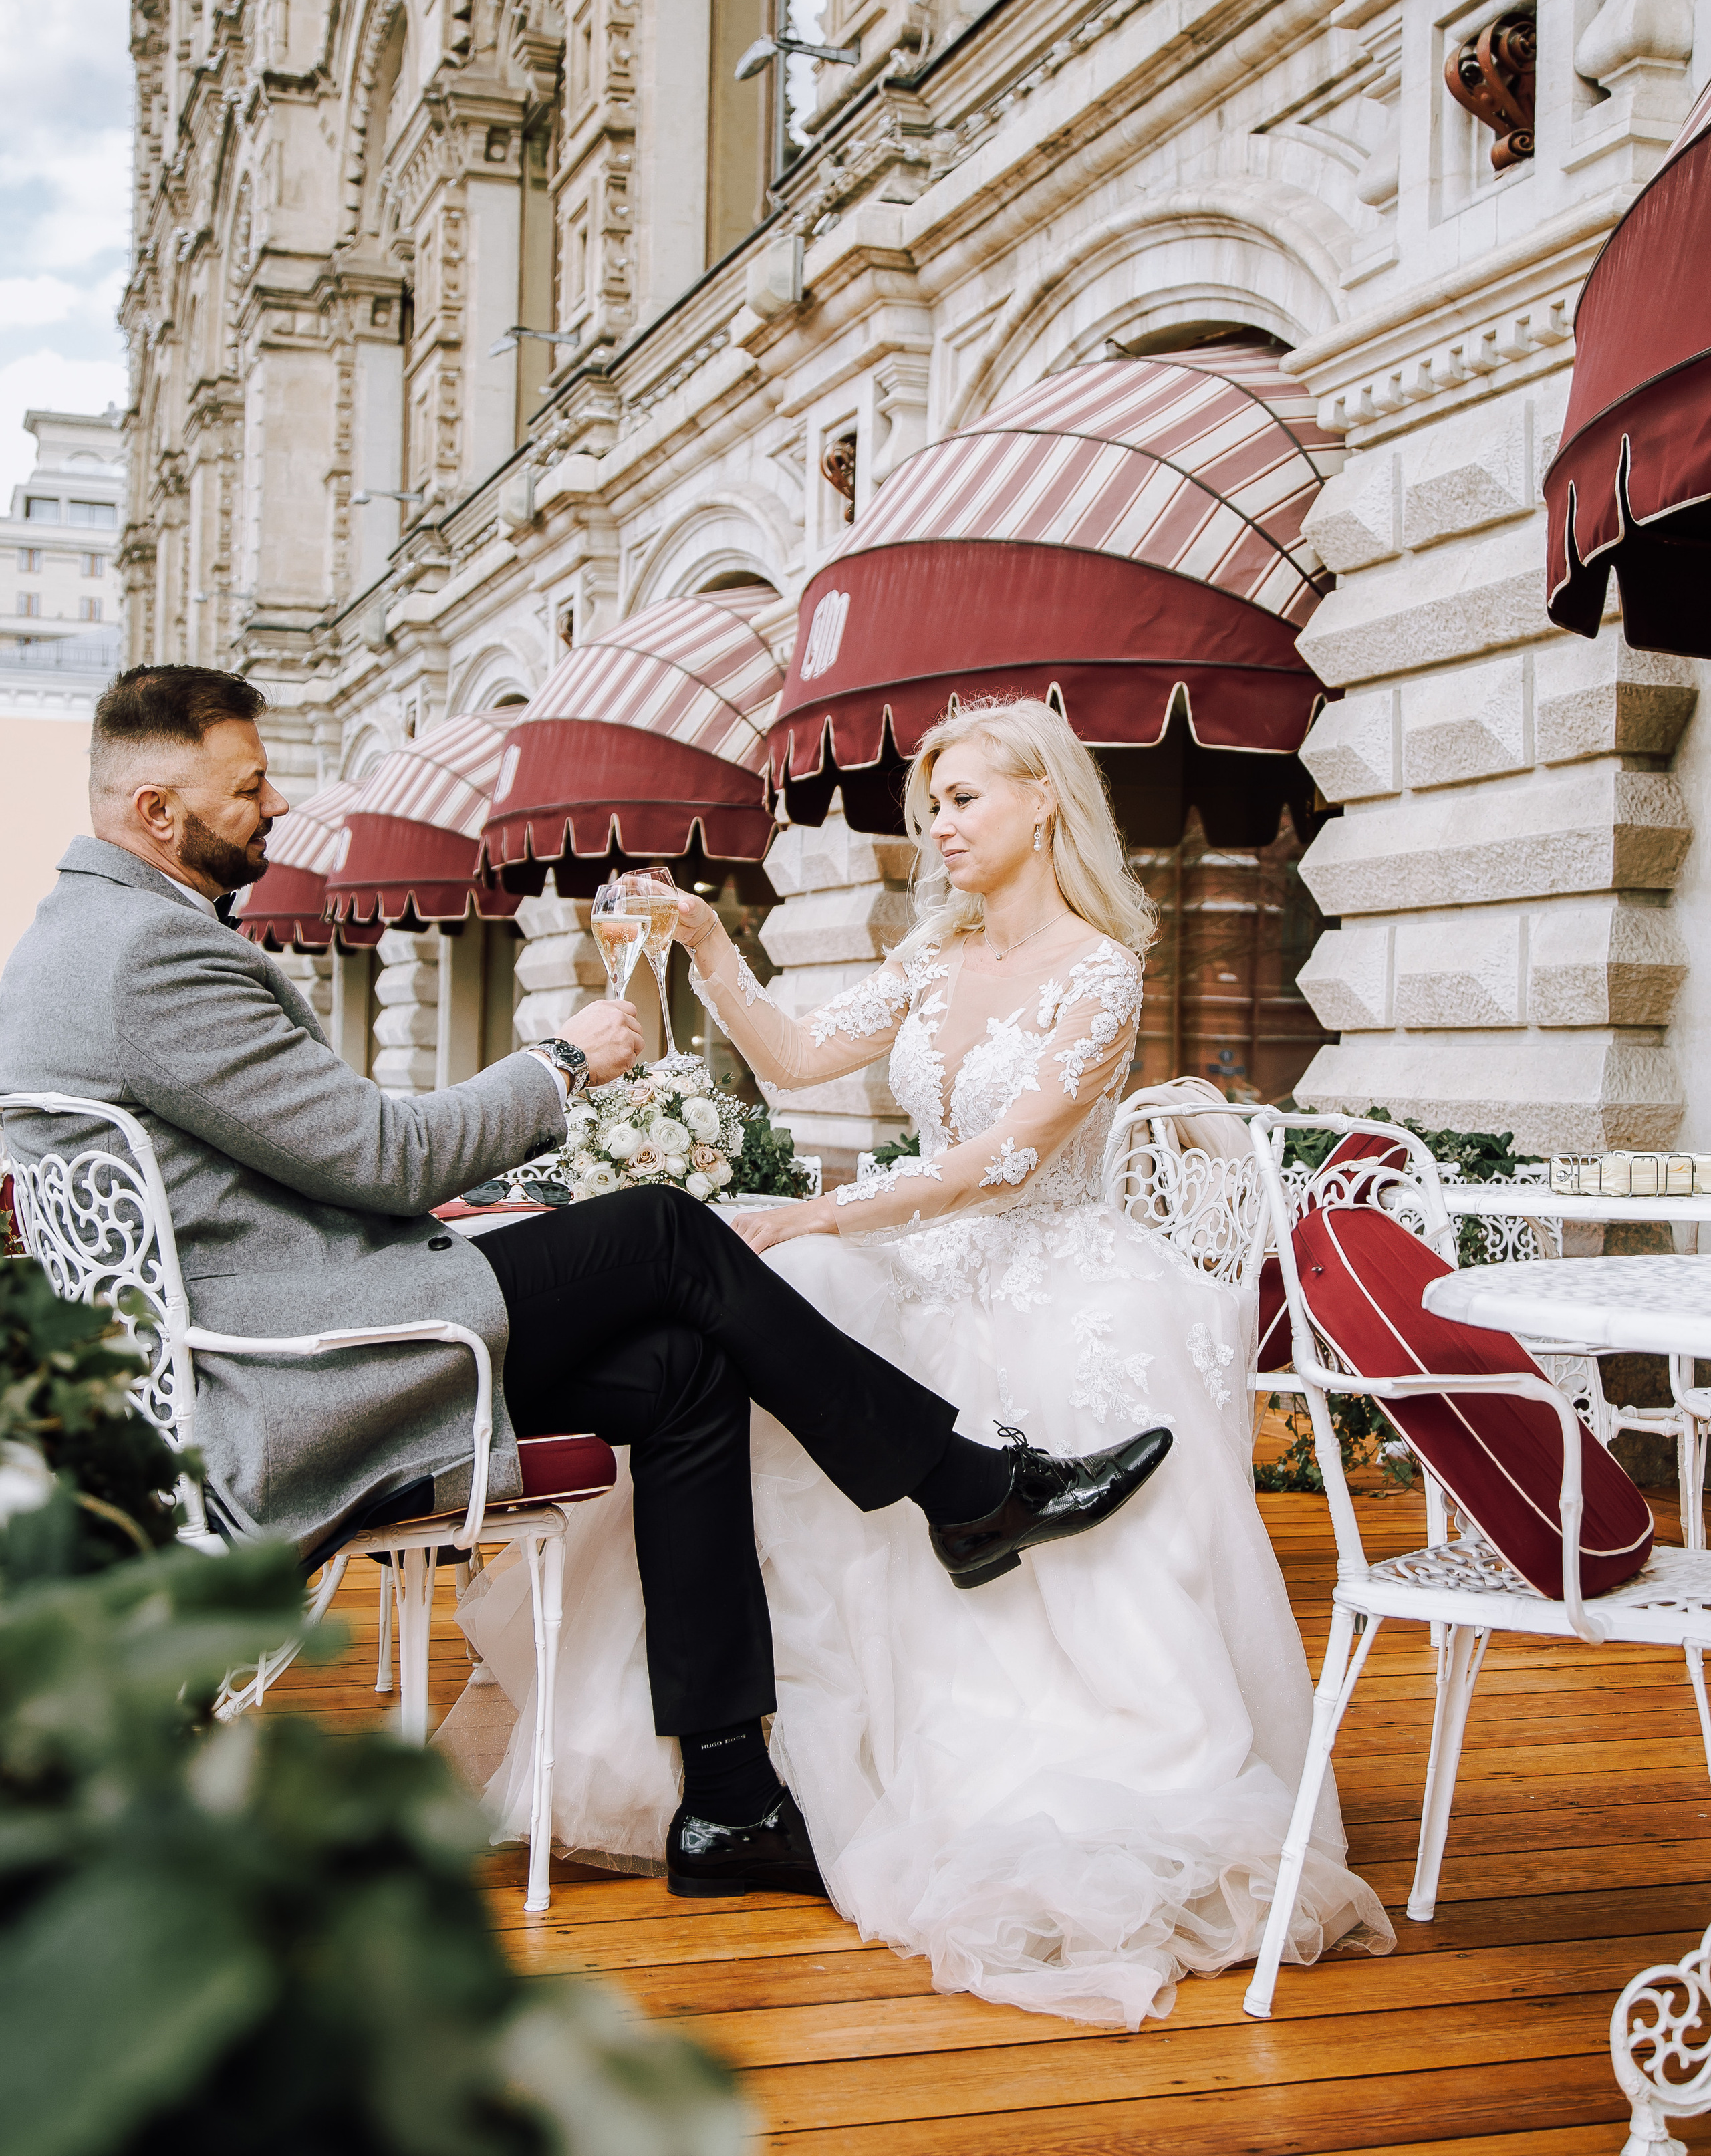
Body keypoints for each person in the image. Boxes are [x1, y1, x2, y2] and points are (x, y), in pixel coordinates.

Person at [0, 664, 1170, 1901]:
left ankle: (730, 1804)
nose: (277, 800)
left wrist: (700, 953)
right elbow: (385, 1161)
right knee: (666, 1232)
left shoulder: (72, 945)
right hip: (309, 1360)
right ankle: (964, 1483)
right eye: (247, 786)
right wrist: (560, 1065)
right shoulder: (158, 959)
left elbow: (301, 1166)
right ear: (156, 814)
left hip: (263, 1330)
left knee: (684, 1369)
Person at [454, 696, 1393, 2024]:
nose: (937, 825)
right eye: (931, 803)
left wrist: (830, 1209)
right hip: (914, 1256)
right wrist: (711, 945)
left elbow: (1000, 1158)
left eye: (962, 798)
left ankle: (943, 1728)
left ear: (1042, 803)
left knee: (806, 1266)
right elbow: (789, 1057)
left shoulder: (1100, 971)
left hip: (1043, 1269)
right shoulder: (932, 953)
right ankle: (725, 1770)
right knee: (767, 1316)